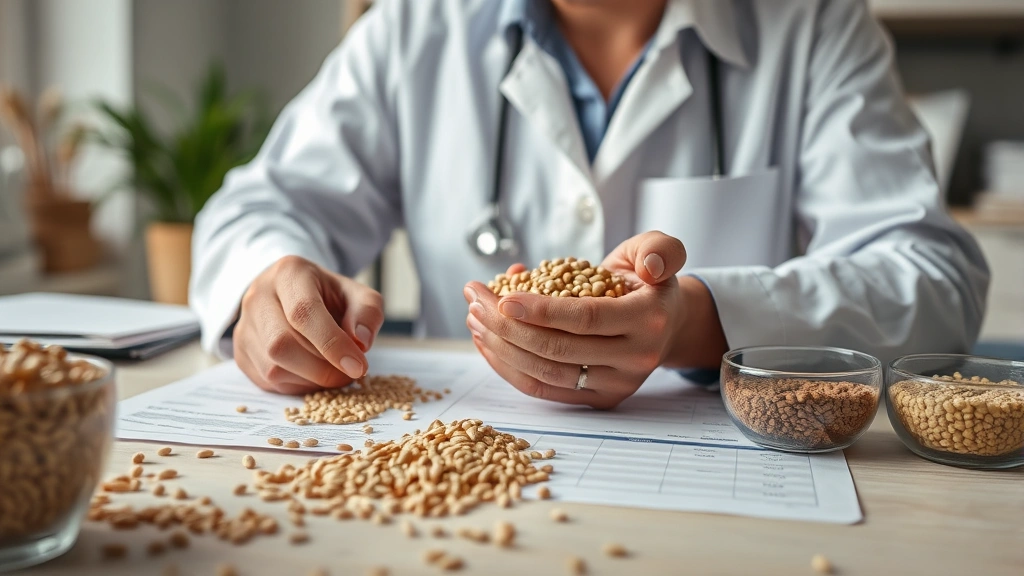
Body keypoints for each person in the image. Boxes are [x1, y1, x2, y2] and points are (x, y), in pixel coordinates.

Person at [190, 0, 989, 408]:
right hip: (466, 483)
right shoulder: (416, 26)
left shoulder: (811, 24)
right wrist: (267, 284)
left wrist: (699, 321)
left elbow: (932, 280)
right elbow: (256, 207)